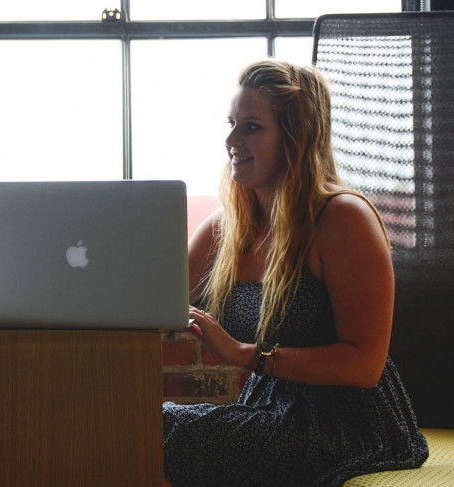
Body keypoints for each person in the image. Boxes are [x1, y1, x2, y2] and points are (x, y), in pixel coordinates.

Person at [162, 60, 428, 487]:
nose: (231, 139)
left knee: (160, 439)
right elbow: (151, 301)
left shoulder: (342, 218)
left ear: (295, 138)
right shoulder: (225, 229)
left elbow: (364, 365)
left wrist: (243, 353)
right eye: (231, 123)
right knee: (136, 427)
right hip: (265, 413)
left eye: (251, 126)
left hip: (349, 427)